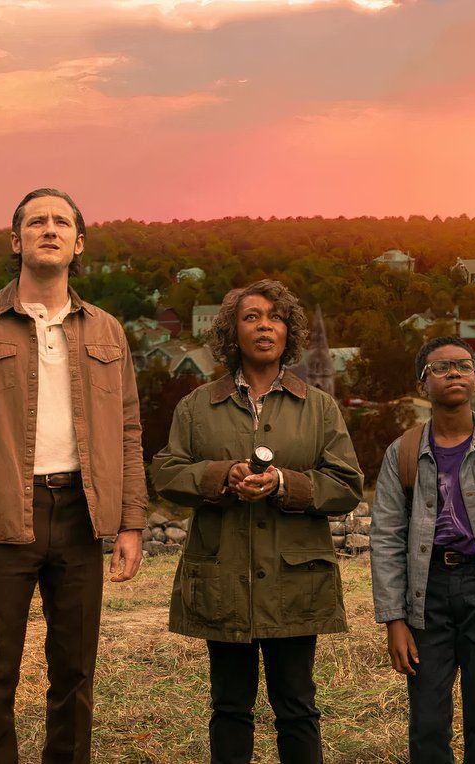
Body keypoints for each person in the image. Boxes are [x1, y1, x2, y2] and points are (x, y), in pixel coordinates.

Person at [0, 188, 146, 764]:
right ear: (15, 240)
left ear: (79, 244)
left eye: (62, 222)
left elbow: (128, 432)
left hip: (80, 516)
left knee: (75, 670)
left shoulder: (107, 332)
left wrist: (131, 523)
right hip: (2, 520)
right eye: (36, 221)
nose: (50, 229)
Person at [151, 279, 364, 764]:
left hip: (295, 582)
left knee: (296, 707)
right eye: (251, 316)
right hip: (225, 578)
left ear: (289, 332)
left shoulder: (320, 407)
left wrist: (285, 483)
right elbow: (165, 471)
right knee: (229, 707)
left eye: (275, 316)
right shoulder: (197, 406)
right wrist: (223, 475)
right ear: (232, 332)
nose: (264, 325)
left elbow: (347, 482)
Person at [370, 335, 475, 764]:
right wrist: (394, 619)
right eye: (441, 367)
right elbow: (386, 539)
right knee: (427, 720)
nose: (454, 374)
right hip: (426, 596)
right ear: (422, 383)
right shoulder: (402, 454)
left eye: (463, 366)